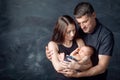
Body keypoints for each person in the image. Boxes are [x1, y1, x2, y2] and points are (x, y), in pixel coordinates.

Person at [46, 2, 114, 80]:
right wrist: (52, 55)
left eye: (85, 22)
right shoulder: (78, 31)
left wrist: (77, 73)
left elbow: (101, 67)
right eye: (79, 23)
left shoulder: (105, 35)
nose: (82, 26)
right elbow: (58, 63)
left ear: (94, 15)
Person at [47, 15, 93, 80]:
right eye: (68, 32)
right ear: (61, 31)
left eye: (74, 30)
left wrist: (76, 66)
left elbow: (89, 65)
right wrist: (78, 65)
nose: (72, 34)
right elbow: (57, 67)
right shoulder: (53, 44)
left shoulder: (79, 41)